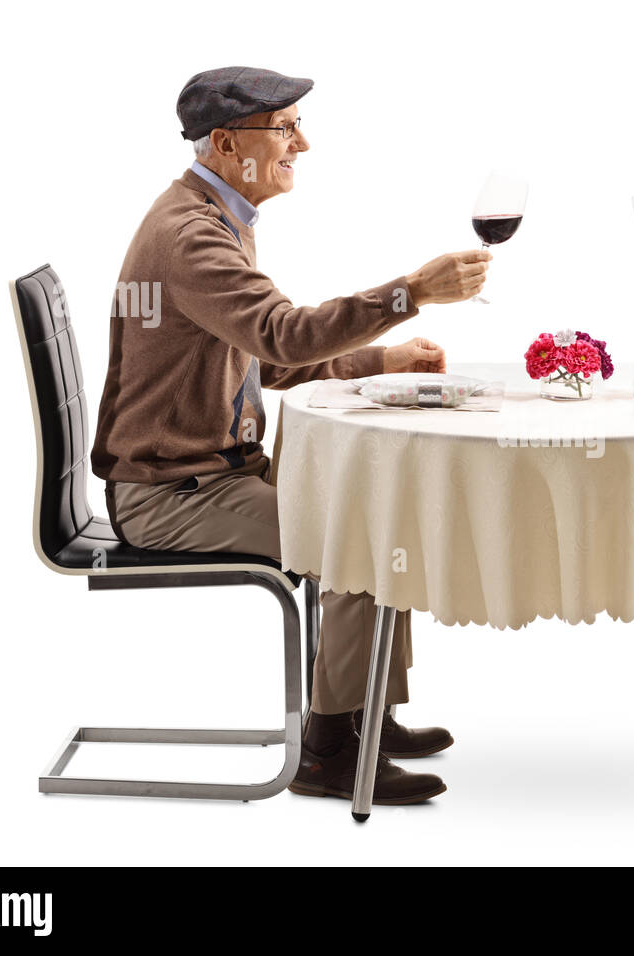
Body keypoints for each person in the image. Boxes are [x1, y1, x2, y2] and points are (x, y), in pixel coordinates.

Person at [91, 66, 490, 807]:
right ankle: (328, 750)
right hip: (172, 493)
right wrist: (413, 293)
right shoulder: (190, 237)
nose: (303, 142)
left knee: (379, 508)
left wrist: (378, 360)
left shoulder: (214, 216)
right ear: (224, 142)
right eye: (285, 127)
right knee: (358, 536)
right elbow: (281, 332)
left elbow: (261, 356)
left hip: (210, 473)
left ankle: (362, 704)